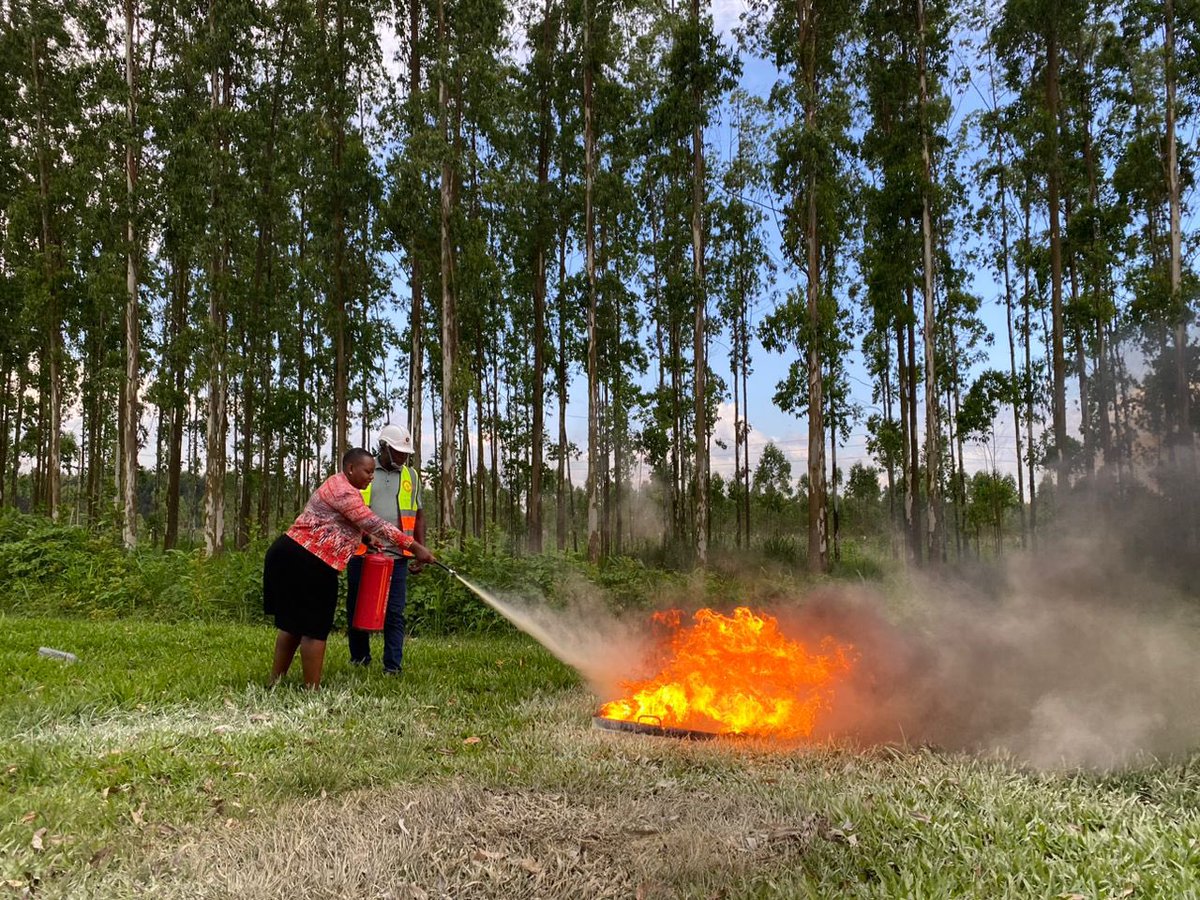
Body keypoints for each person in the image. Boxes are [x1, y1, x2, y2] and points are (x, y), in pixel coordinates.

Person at [263, 447, 435, 689]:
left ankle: (275, 682)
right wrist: (414, 546)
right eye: (367, 471)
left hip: (289, 554)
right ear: (350, 469)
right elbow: (376, 523)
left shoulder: (338, 485)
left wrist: (363, 537)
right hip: (309, 560)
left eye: (373, 472)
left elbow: (338, 520)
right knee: (314, 628)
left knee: (292, 625)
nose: (371, 476)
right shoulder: (345, 491)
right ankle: (312, 690)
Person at [345, 423, 425, 674]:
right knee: (357, 607)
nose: (403, 457)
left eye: (406, 453)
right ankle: (360, 658)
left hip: (398, 555)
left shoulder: (411, 476)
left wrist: (419, 548)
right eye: (398, 451)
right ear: (383, 447)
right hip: (362, 553)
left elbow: (419, 514)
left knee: (395, 612)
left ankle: (393, 665)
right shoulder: (364, 471)